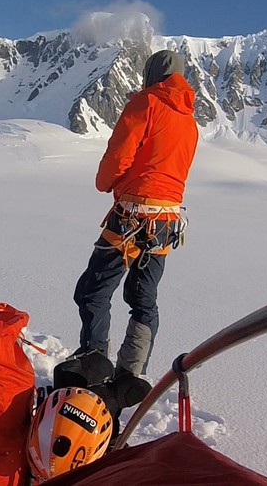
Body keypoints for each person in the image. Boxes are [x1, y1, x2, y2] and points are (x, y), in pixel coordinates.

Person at [71, 49, 198, 383]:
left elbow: (118, 157)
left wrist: (105, 183)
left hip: (132, 217)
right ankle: (131, 376)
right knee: (143, 299)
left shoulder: (146, 104)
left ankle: (93, 367)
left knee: (93, 290)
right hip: (166, 222)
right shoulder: (190, 121)